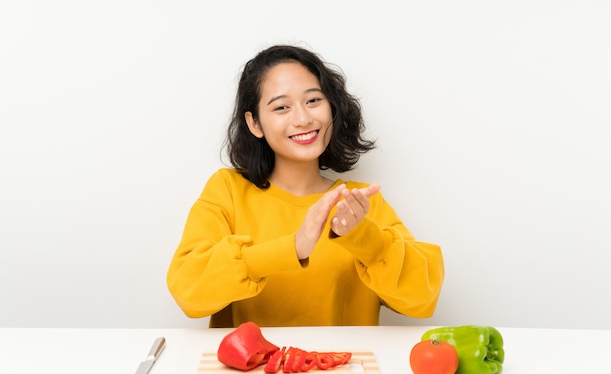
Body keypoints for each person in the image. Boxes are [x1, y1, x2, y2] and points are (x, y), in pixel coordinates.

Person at [167, 44, 444, 328]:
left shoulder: (360, 202)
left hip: (340, 370)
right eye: (281, 107)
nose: (303, 119)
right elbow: (189, 293)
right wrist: (291, 249)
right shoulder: (228, 190)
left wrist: (364, 237)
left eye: (313, 101)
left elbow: (422, 300)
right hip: (252, 371)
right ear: (255, 123)